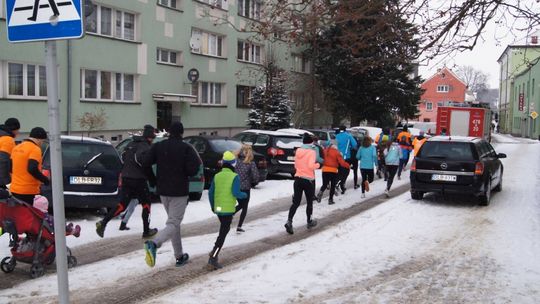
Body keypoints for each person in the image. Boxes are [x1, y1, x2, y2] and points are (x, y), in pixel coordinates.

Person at [142, 122, 200, 268]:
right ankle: (154, 244)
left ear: (169, 132)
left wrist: (153, 180)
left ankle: (179, 256)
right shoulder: (186, 148)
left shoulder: (159, 146)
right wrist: (183, 170)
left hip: (163, 191)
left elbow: (145, 163)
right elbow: (194, 169)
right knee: (173, 223)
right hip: (179, 191)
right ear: (182, 133)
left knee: (174, 224)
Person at [96, 125, 158, 239]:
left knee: (123, 204)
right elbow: (145, 164)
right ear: (150, 137)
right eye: (153, 137)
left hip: (126, 177)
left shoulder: (131, 144)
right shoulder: (145, 147)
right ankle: (146, 230)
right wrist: (153, 180)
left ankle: (103, 223)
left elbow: (123, 158)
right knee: (146, 203)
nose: (153, 139)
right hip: (138, 179)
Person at [207, 151, 247, 270]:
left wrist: (213, 206)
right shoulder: (235, 177)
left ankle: (213, 254)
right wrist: (244, 195)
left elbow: (210, 193)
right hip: (228, 210)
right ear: (233, 164)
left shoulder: (217, 176)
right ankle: (213, 256)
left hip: (219, 209)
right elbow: (236, 193)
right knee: (223, 234)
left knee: (224, 230)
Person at [284, 133, 320, 235]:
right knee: (309, 202)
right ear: (311, 142)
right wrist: (318, 165)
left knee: (296, 202)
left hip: (298, 179)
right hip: (308, 180)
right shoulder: (311, 152)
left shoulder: (298, 151)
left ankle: (289, 221)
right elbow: (310, 166)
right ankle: (309, 221)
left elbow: (295, 165)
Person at [9, 127, 49, 204]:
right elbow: (32, 168)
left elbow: (10, 167)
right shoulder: (35, 149)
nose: (42, 143)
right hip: (29, 191)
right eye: (42, 141)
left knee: (19, 214)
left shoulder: (17, 147)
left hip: (14, 189)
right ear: (39, 139)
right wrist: (45, 180)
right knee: (29, 214)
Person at [234, 144, 259, 233]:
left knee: (240, 204)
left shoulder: (236, 161)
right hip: (245, 188)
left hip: (235, 186)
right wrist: (254, 181)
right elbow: (255, 176)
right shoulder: (250, 163)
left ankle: (231, 215)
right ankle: (239, 225)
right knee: (244, 206)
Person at [316, 140, 349, 205]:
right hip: (333, 171)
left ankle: (320, 192)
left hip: (325, 170)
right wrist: (348, 166)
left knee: (325, 184)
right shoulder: (337, 152)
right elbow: (342, 163)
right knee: (333, 186)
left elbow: (322, 159)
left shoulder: (325, 151)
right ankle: (330, 199)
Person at [335, 126, 357, 194]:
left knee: (339, 171)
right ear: (345, 130)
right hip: (346, 157)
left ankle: (339, 184)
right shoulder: (348, 136)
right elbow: (354, 144)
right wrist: (350, 146)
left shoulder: (336, 136)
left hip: (337, 157)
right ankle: (339, 184)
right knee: (345, 172)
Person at [0, 118, 20, 189]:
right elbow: (3, 161)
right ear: (14, 129)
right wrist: (7, 183)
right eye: (18, 130)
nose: (18, 132)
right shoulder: (8, 140)